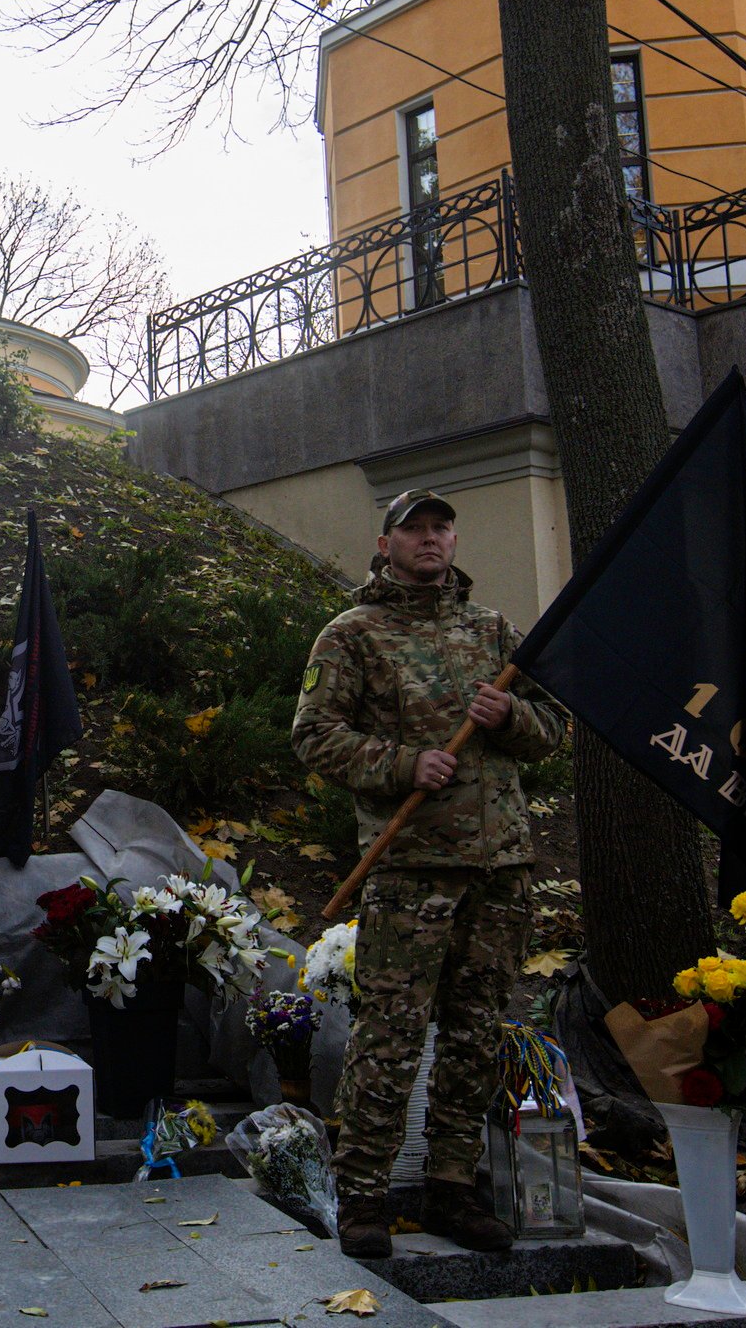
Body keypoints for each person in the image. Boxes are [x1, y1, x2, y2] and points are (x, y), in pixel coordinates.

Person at [291, 488, 566, 1260]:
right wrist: (406, 763)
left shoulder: (494, 632)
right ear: (384, 544)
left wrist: (511, 719)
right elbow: (314, 737)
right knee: (391, 1035)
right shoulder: (354, 635)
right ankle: (365, 1193)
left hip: (500, 866)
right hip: (413, 869)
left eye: (441, 527)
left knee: (476, 1035)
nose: (431, 539)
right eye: (413, 529)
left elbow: (552, 730)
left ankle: (452, 1183)